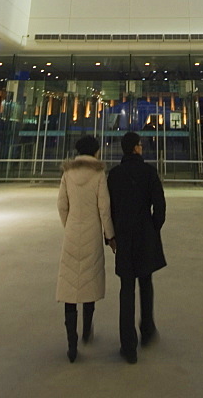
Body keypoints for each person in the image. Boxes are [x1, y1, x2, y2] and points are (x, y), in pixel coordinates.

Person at [107, 130, 166, 364]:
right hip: (144, 236)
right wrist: (153, 228)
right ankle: (148, 329)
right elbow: (160, 207)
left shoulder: (114, 175)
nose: (142, 148)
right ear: (135, 148)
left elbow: (108, 209)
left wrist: (111, 236)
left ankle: (128, 345)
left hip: (123, 237)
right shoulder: (149, 172)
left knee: (126, 289)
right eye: (140, 145)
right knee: (146, 282)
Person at [56, 134, 115, 363]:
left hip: (72, 232)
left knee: (70, 287)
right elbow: (104, 208)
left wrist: (69, 224)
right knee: (89, 280)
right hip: (92, 232)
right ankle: (87, 331)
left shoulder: (68, 173)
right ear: (95, 151)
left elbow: (62, 204)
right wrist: (109, 235)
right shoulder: (99, 174)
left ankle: (72, 344)